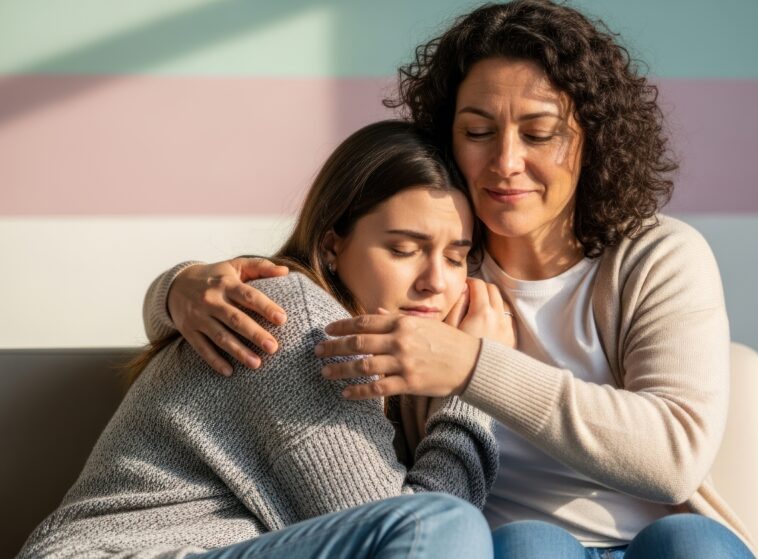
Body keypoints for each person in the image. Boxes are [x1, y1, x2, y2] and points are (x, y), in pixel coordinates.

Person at [144, 1, 758, 557]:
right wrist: (176, 290)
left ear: (591, 139)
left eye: (539, 133)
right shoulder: (438, 267)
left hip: (658, 539)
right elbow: (300, 310)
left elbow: (673, 460)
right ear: (447, 138)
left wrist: (472, 364)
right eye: (478, 132)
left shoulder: (654, 255)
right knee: (530, 545)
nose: (506, 162)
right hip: (500, 546)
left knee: (692, 542)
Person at [18, 120, 509, 559]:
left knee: (531, 543)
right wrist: (473, 385)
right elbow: (416, 532)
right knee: (443, 522)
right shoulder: (300, 325)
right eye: (403, 249)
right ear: (331, 244)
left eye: (455, 258)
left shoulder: (390, 363)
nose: (435, 282)